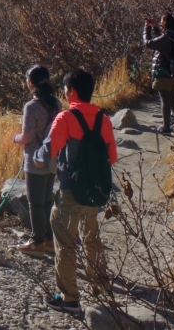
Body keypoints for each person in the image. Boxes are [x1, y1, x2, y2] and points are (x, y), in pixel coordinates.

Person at [42, 69, 118, 316]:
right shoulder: (103, 120)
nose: (64, 93)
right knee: (91, 238)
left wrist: (36, 157)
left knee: (65, 243)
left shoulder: (65, 118)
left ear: (71, 91)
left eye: (65, 89)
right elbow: (112, 157)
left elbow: (49, 151)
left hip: (70, 191)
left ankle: (69, 299)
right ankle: (100, 287)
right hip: (94, 192)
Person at [12, 65, 60, 257]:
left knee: (35, 203)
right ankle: (49, 239)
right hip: (51, 158)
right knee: (47, 200)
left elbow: (27, 136)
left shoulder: (31, 106)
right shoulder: (56, 103)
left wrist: (15, 138)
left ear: (30, 82)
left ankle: (37, 242)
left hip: (34, 160)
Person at [145, 14, 174, 133]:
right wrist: (155, 28)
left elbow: (149, 43)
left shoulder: (167, 36)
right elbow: (161, 40)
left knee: (165, 100)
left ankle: (165, 126)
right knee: (171, 99)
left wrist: (147, 28)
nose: (161, 22)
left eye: (162, 20)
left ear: (166, 21)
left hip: (164, 71)